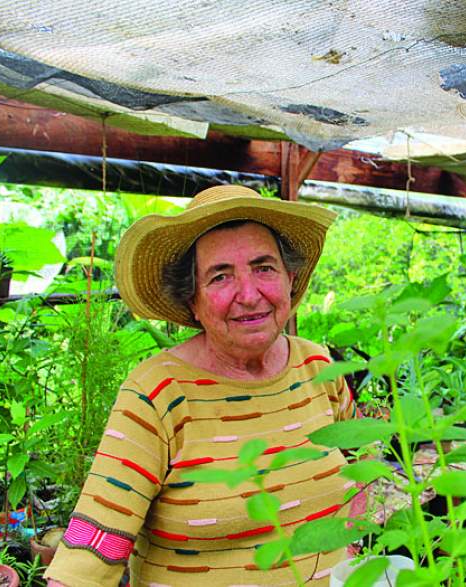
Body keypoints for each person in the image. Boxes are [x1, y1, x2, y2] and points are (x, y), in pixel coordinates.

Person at [45, 185, 357, 586]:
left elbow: (362, 463)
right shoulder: (157, 393)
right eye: (220, 276)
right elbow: (93, 549)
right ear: (192, 300)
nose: (249, 295)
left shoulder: (317, 365)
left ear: (290, 279)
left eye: (264, 268)